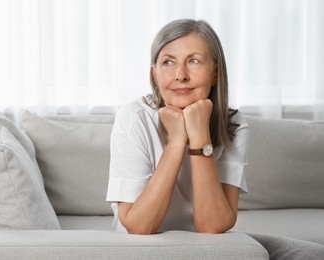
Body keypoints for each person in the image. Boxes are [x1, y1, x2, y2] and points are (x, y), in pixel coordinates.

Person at [106, 19, 324, 259]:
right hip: (143, 251)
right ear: (154, 74)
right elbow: (140, 226)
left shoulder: (234, 123)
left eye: (194, 61)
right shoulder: (134, 118)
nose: (180, 75)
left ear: (215, 73)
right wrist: (176, 143)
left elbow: (213, 226)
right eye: (168, 62)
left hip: (209, 250)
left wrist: (199, 136)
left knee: (309, 253)